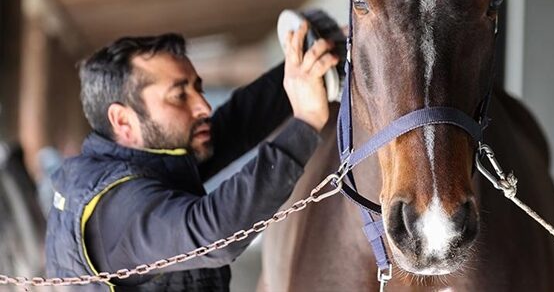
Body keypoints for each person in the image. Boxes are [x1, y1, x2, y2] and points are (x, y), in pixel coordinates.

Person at [45, 22, 338, 291]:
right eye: (179, 96)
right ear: (122, 121)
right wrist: (306, 122)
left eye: (197, 88)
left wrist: (312, 63)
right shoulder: (116, 210)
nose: (203, 106)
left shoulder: (141, 157)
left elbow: (237, 125)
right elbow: (215, 235)